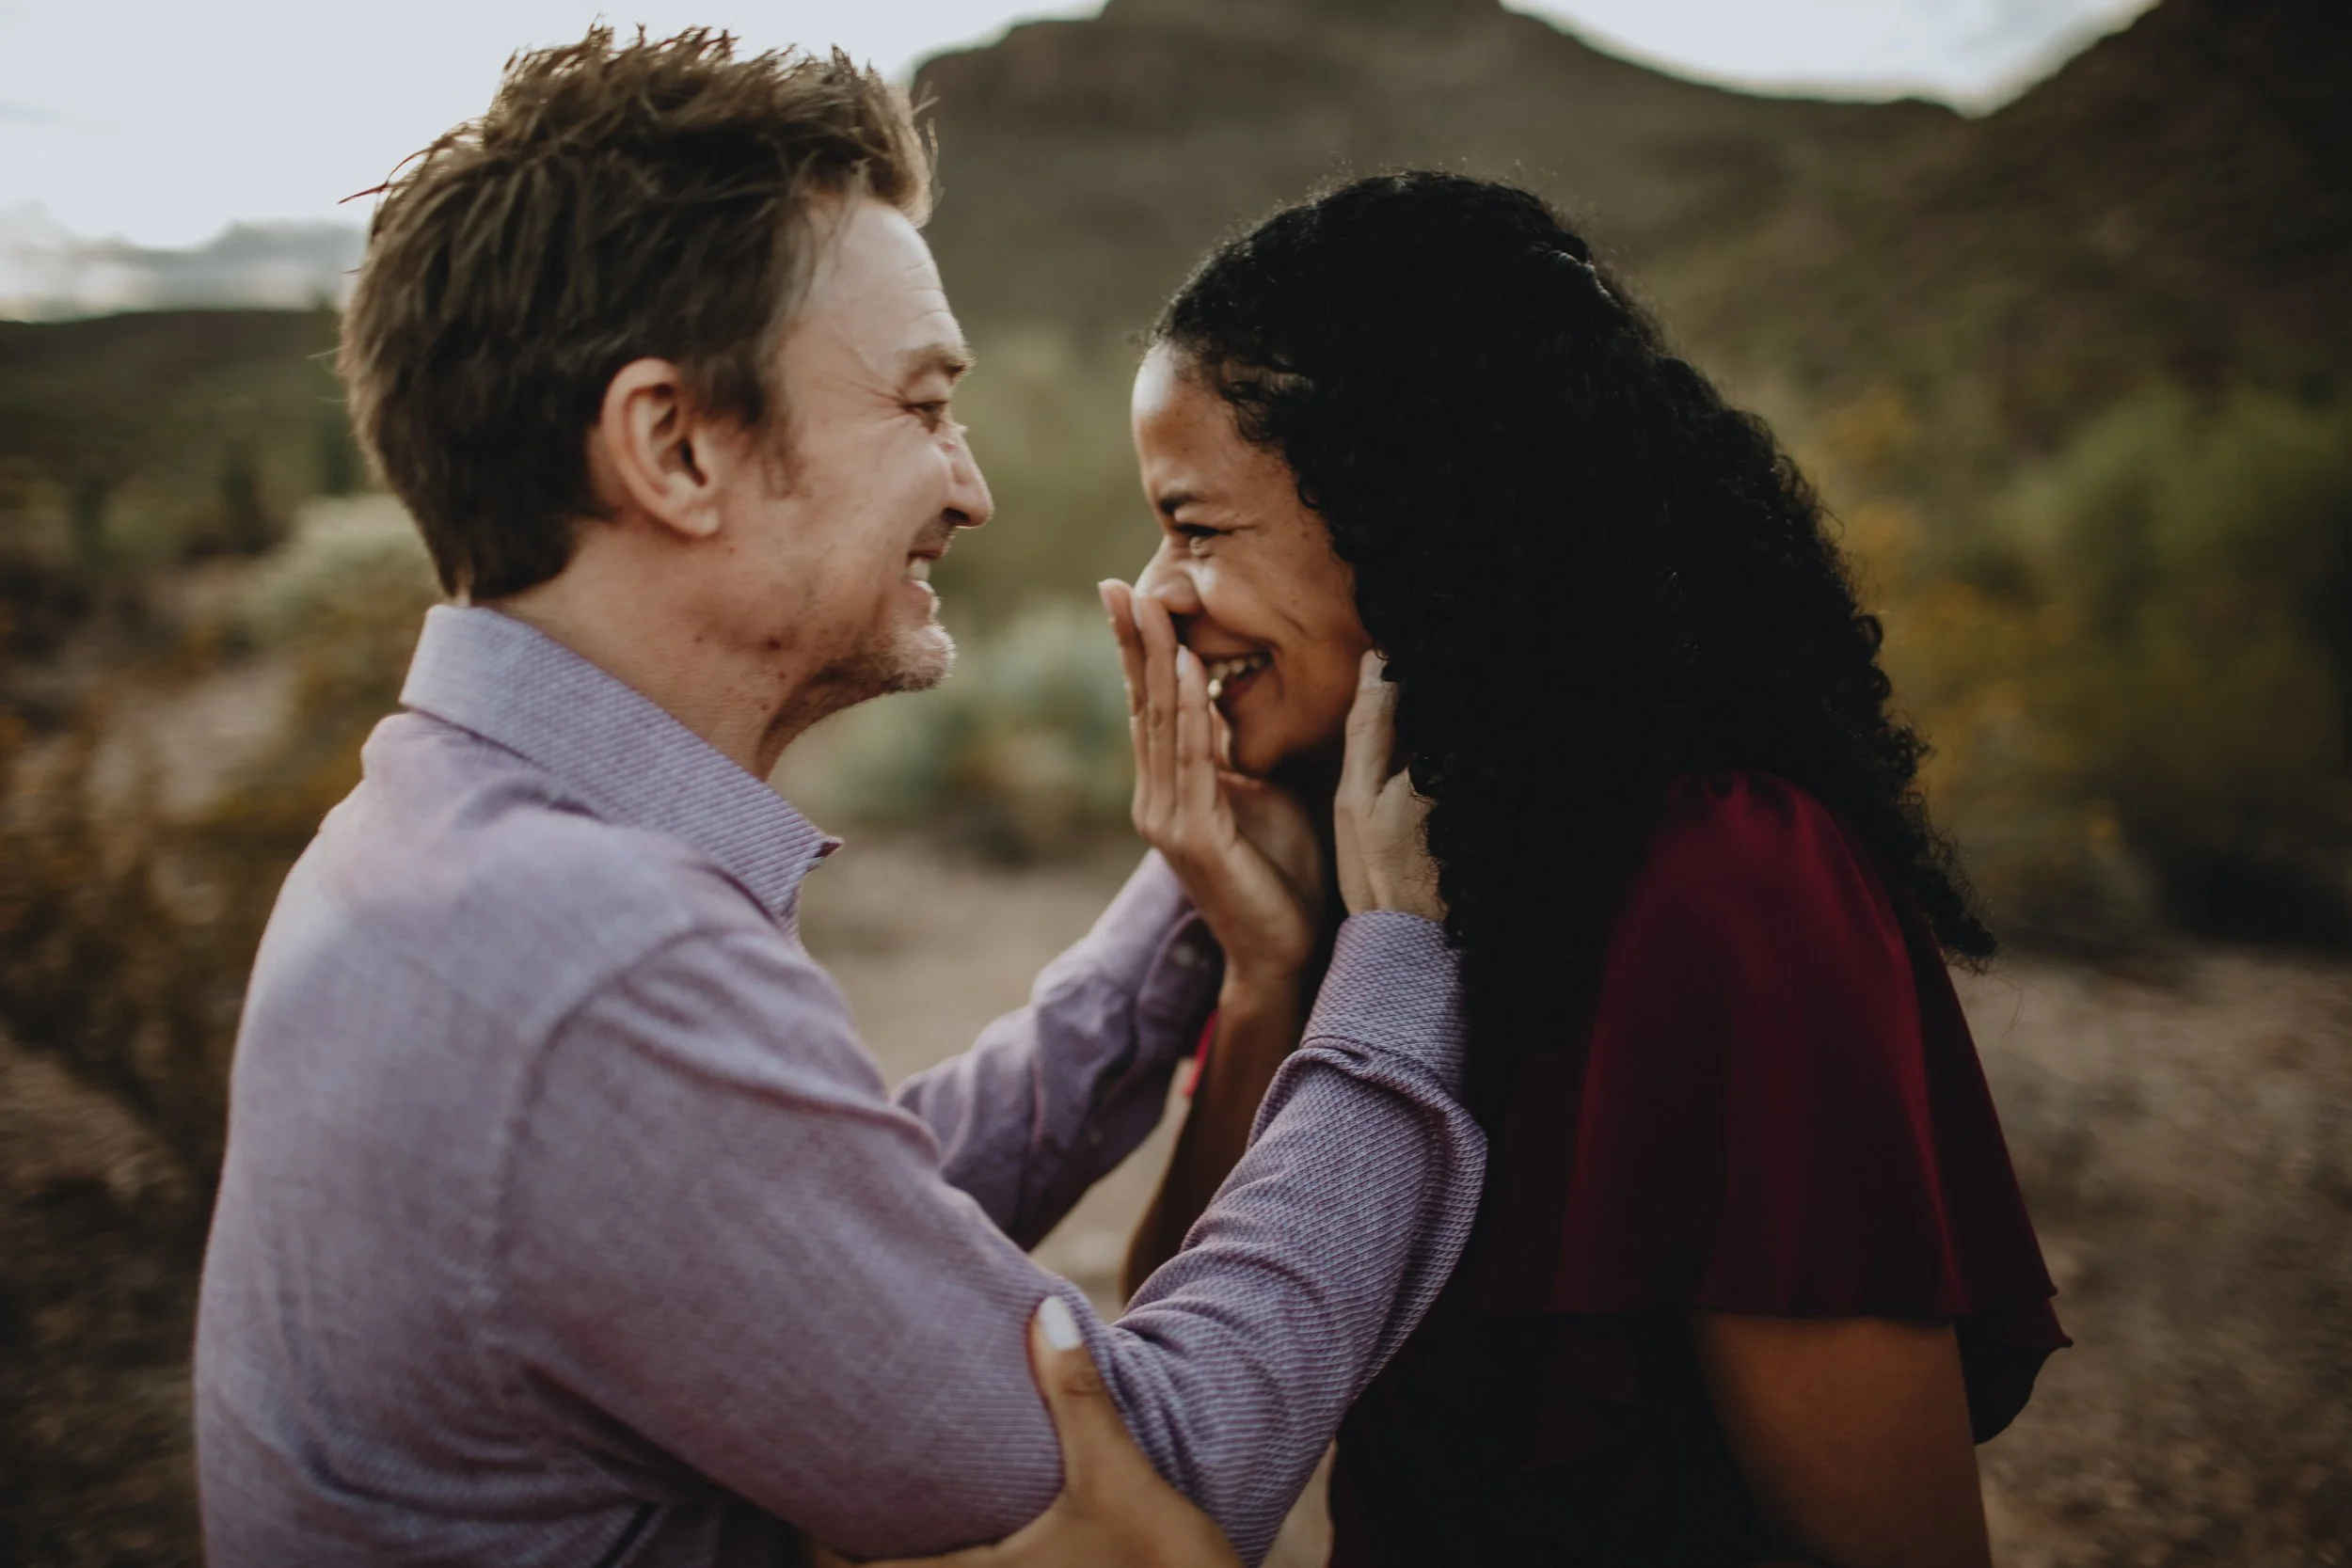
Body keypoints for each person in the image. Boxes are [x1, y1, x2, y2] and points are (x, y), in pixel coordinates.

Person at [190, 33, 1482, 1568]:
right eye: (924, 405)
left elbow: (839, 1215)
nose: (971, 484)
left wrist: (1194, 899)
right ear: (676, 446)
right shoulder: (587, 958)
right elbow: (1161, 1472)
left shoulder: (446, 841)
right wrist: (1399, 967)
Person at [1096, 172, 2071, 1568]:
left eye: (1196, 528)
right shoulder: (1371, 858)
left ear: (1403, 505)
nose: (1158, 592)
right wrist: (1262, 970)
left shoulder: (1728, 886)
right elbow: (1179, 1421)